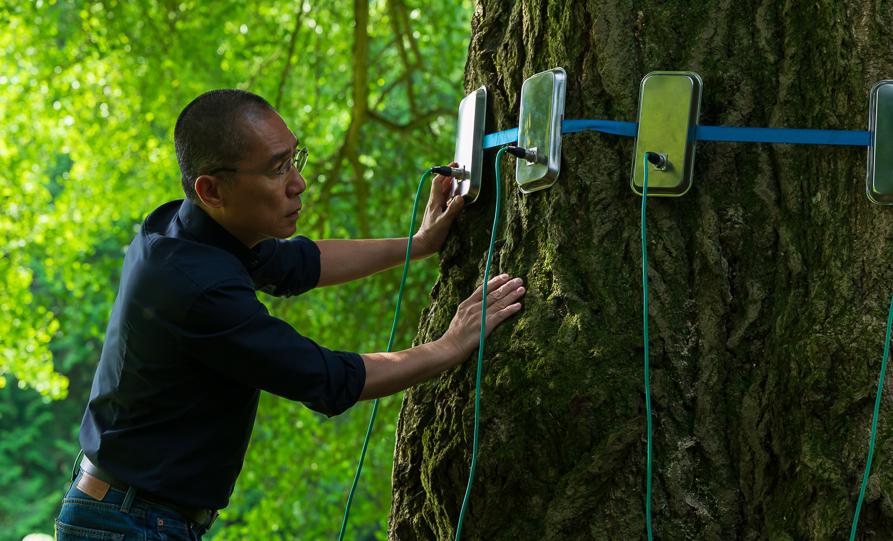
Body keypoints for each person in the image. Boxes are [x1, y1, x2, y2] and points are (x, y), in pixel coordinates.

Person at [54, 89, 525, 540]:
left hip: (131, 513)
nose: (298, 183)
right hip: (127, 524)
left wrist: (418, 245)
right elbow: (328, 378)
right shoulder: (196, 288)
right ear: (212, 189)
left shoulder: (189, 229)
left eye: (295, 159)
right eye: (278, 169)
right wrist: (450, 345)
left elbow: (300, 263)